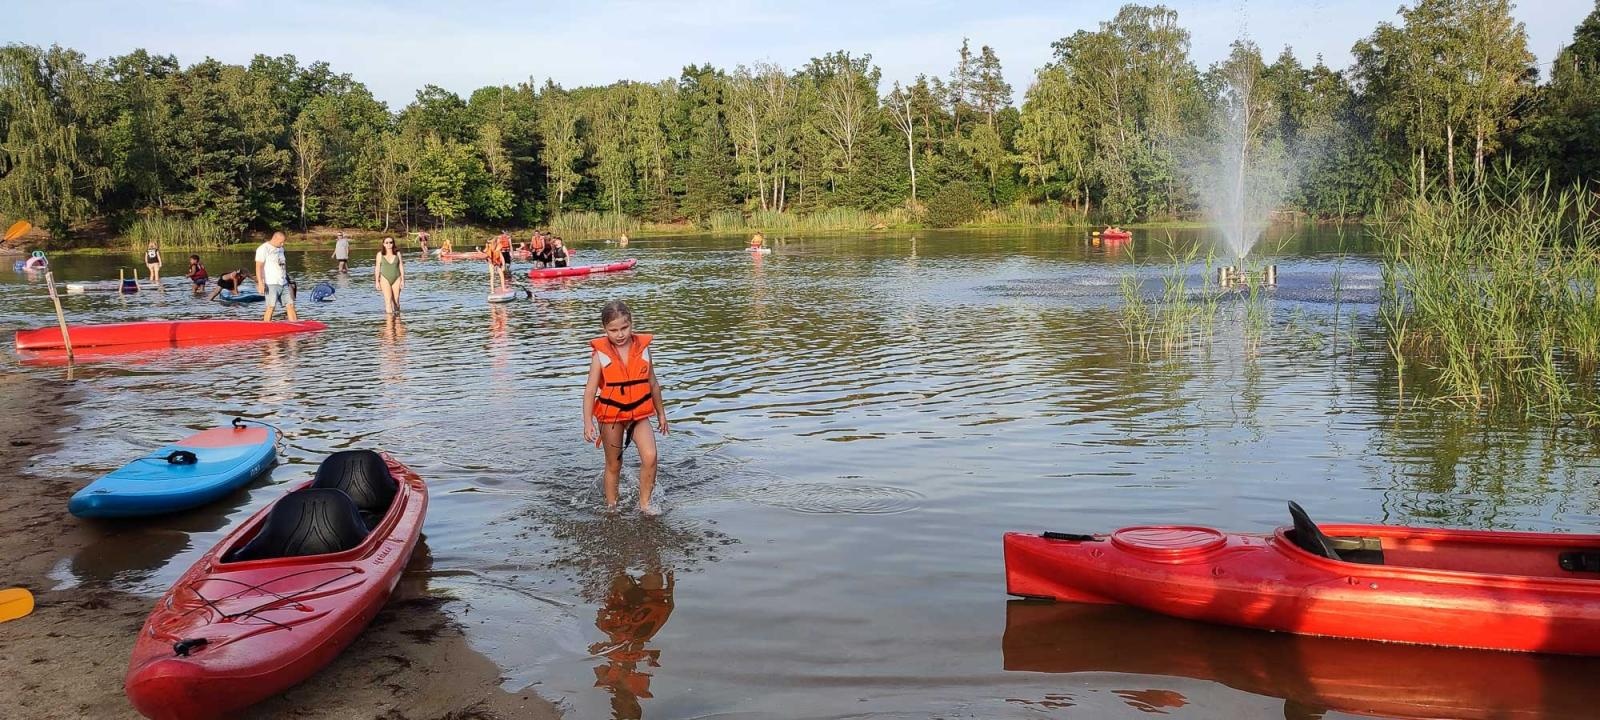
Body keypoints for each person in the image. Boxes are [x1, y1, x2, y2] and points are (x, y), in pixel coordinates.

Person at [583, 300, 668, 514]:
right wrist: (587, 422)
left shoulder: (644, 351)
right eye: (613, 330)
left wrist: (661, 414)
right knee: (614, 465)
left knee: (650, 456)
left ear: (631, 323)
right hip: (610, 417)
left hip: (638, 414)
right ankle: (612, 507)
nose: (620, 334)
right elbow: (590, 391)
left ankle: (645, 504)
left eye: (624, 328)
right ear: (605, 330)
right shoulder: (599, 356)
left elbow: (653, 384)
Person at [255, 231, 298, 321]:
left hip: (283, 282)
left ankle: (294, 325)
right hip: (271, 283)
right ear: (274, 238)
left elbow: (283, 266)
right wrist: (260, 282)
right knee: (271, 306)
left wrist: (288, 281)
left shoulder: (281, 249)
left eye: (283, 242)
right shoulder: (263, 249)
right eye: (280, 242)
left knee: (290, 305)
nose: (282, 244)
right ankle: (266, 325)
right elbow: (258, 266)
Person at [375, 236, 404, 315]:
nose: (389, 244)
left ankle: (397, 320)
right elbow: (377, 268)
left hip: (397, 278)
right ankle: (389, 324)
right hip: (384, 278)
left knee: (396, 300)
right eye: (386, 243)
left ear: (393, 244)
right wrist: (377, 281)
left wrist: (403, 280)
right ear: (384, 244)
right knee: (388, 301)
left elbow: (401, 266)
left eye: (391, 242)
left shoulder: (397, 254)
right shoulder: (380, 255)